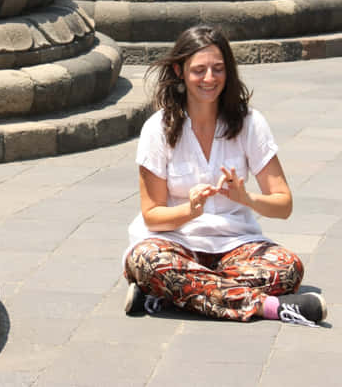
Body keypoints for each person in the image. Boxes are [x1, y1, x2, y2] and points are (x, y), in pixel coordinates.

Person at [123, 25, 327, 326]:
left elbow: (283, 204)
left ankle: (172, 294)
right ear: (180, 71)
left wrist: (247, 198)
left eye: (218, 69)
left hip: (235, 245)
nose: (209, 79)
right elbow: (152, 216)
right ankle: (269, 308)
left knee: (288, 268)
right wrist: (190, 210)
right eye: (199, 70)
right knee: (146, 260)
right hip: (174, 244)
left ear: (228, 72)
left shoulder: (250, 123)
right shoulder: (157, 128)